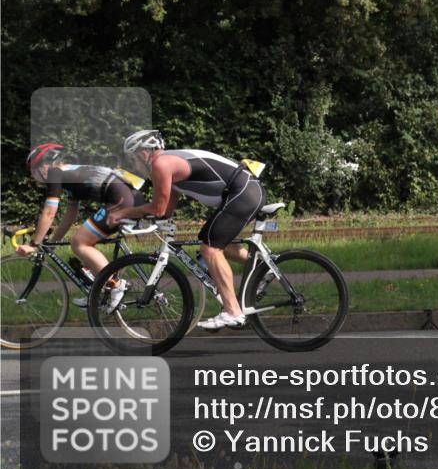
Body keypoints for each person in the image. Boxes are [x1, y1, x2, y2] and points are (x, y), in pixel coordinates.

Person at [107, 130, 265, 330]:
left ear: (145, 152)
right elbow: (165, 210)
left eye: (133, 157)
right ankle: (263, 269)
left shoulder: (161, 164)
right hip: (244, 191)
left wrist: (123, 213)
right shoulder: (167, 163)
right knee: (213, 241)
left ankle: (233, 312)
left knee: (210, 248)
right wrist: (139, 220)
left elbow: (158, 208)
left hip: (243, 192)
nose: (133, 163)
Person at [19, 143, 146, 307]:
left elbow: (50, 211)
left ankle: (116, 285)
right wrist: (53, 242)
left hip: (121, 202)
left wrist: (34, 244)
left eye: (33, 170)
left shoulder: (54, 173)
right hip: (130, 198)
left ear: (44, 165)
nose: (34, 176)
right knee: (86, 246)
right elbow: (70, 214)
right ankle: (99, 291)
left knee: (79, 243)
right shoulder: (71, 174)